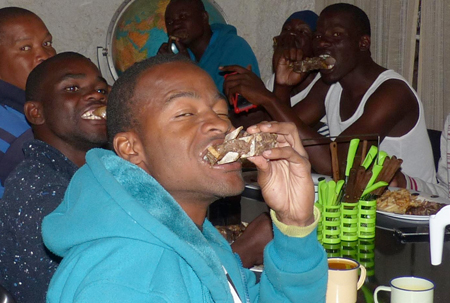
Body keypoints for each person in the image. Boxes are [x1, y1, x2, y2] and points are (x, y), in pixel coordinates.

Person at [42, 54, 328, 302]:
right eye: (185, 113)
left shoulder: (190, 234)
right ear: (131, 149)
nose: (220, 123)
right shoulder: (129, 281)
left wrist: (294, 227)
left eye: (221, 111)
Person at [224, 3, 436, 184]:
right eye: (318, 36)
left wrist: (268, 98)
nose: (322, 43)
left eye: (335, 35)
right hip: (358, 198)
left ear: (363, 43)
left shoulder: (392, 93)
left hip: (414, 206)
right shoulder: (330, 87)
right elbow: (278, 135)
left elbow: (335, 164)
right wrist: (282, 86)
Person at [0, 52, 109, 303]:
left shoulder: (99, 174)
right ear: (36, 113)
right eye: (72, 87)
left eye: (102, 90)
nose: (96, 96)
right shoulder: (38, 188)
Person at [0, 7, 56, 197]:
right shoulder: (9, 131)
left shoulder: (45, 106)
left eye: (47, 43)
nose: (45, 55)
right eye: (25, 48)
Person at [157, 0, 260, 93]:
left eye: (183, 17)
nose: (175, 26)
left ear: (204, 17)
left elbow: (235, 109)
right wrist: (164, 70)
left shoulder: (233, 47)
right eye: (170, 22)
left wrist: (189, 68)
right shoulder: (184, 56)